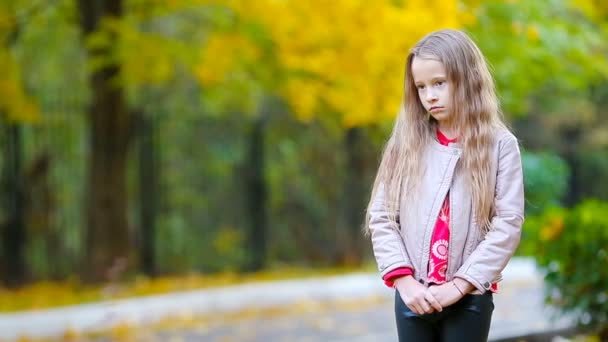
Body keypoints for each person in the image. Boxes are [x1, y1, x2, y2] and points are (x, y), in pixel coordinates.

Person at [365, 29, 524, 342]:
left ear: (467, 78)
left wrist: (461, 284)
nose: (430, 96)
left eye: (439, 83)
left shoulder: (500, 146)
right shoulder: (406, 145)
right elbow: (382, 216)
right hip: (413, 297)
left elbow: (508, 224)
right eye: (421, 87)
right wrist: (404, 282)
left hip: (470, 298)